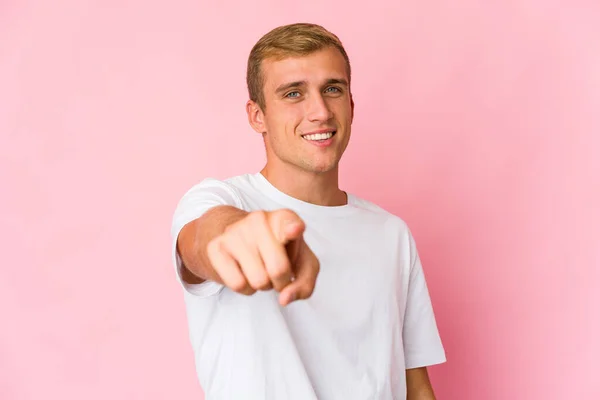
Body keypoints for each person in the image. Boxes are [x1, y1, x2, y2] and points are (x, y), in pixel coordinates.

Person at [170, 22, 446, 399]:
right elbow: (204, 239)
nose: (319, 111)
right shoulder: (223, 201)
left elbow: (416, 386)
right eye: (293, 93)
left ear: (350, 105)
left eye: (332, 89)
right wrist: (240, 234)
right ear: (257, 116)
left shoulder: (391, 233)